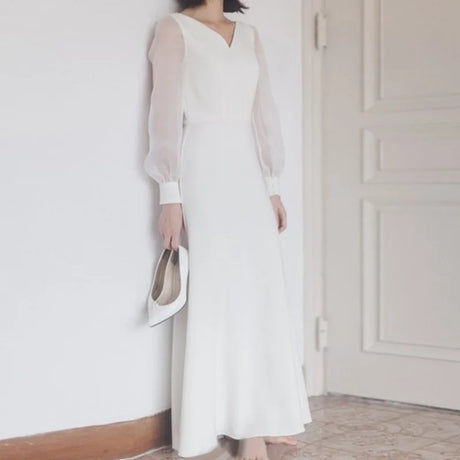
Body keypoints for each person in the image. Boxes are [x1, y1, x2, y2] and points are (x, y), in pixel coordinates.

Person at [144, 1, 312, 458]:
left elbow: (263, 115)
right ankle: (234, 423)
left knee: (260, 291)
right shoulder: (174, 29)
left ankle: (265, 414)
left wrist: (272, 186)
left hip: (248, 174)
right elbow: (164, 115)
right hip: (202, 169)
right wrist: (169, 194)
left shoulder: (249, 35)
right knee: (217, 292)